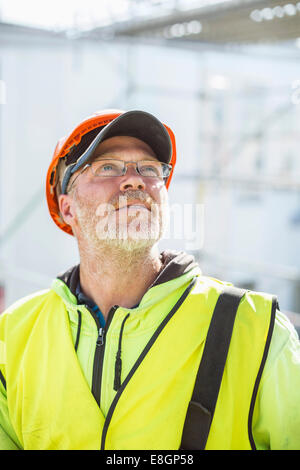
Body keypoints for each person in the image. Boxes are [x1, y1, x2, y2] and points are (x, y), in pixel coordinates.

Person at [0, 109, 299, 450]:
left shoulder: (256, 330)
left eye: (149, 167)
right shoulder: (13, 335)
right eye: (108, 167)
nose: (134, 180)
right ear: (68, 209)